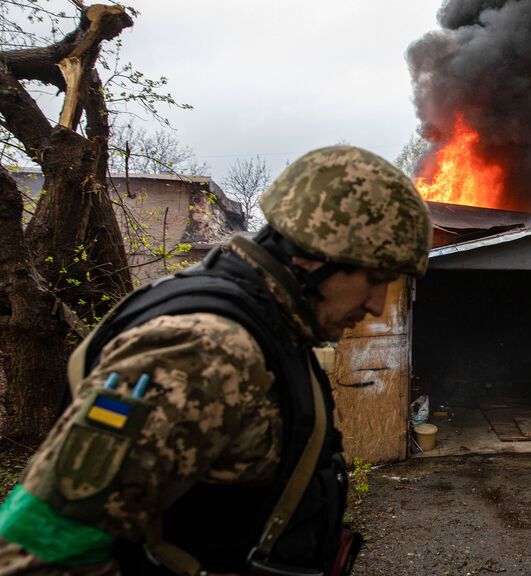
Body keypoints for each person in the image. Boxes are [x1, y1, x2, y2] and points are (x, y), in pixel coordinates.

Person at [0, 146, 433, 576]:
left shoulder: (270, 329)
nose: (378, 304)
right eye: (375, 278)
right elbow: (37, 551)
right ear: (316, 257)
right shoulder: (205, 349)